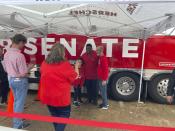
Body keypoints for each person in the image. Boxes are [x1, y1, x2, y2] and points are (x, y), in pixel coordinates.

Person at [39, 44, 78, 131]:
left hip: (48, 97)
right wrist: (76, 67)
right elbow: (74, 77)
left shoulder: (44, 63)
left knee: (55, 116)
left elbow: (43, 73)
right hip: (60, 98)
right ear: (62, 53)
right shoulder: (65, 65)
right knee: (64, 115)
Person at [3, 34, 34, 129]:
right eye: (23, 44)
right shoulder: (19, 56)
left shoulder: (6, 53)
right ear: (20, 42)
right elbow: (23, 73)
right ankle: (17, 124)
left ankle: (17, 120)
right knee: (19, 103)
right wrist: (30, 66)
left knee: (16, 102)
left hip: (12, 79)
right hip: (20, 80)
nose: (23, 46)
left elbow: (5, 69)